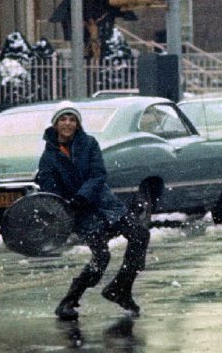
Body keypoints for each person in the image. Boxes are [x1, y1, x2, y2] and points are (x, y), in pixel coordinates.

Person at [37, 102, 151, 321]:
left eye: (72, 119)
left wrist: (82, 196)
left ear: (78, 123)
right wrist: (69, 204)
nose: (67, 123)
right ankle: (68, 302)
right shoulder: (48, 157)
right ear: (55, 124)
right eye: (63, 119)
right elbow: (49, 190)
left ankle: (120, 289)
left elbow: (98, 174)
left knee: (139, 235)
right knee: (101, 257)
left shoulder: (89, 144)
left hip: (106, 205)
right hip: (81, 214)